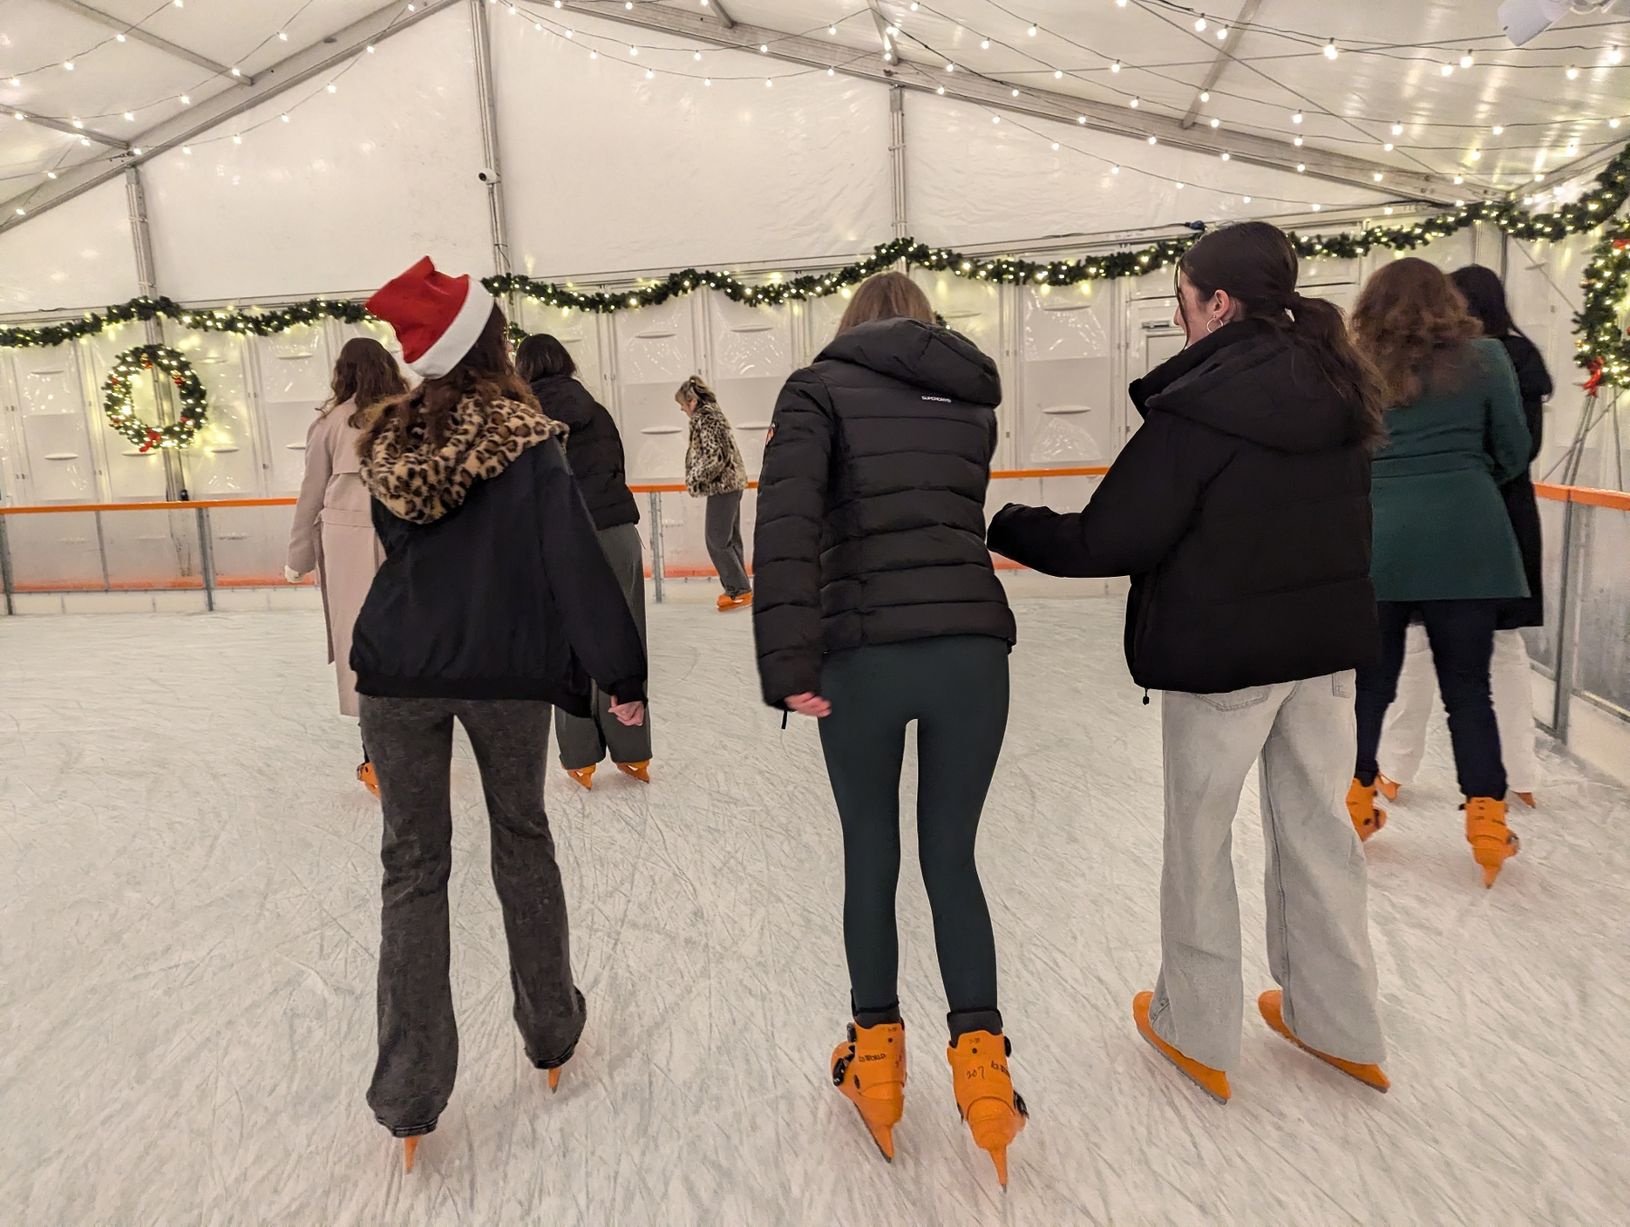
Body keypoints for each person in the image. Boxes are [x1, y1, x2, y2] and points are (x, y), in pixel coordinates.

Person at [987, 221, 1390, 1103]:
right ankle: (1341, 1019)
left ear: (1218, 302)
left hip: (1225, 662)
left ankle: (1197, 1026)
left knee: (1201, 841)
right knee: (1319, 831)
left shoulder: (1203, 405)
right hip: (1326, 652)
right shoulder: (1339, 386)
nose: (1179, 316)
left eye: (1182, 298)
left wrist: (1003, 522)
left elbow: (1109, 538)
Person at [350, 258, 647, 1170]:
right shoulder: (527, 440)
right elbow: (571, 559)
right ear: (491, 342)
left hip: (397, 672)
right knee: (521, 837)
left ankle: (409, 1092)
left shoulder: (389, 441)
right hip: (504, 670)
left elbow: (403, 549)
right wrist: (621, 672)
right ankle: (551, 1030)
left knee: (412, 868)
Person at [752, 271, 1026, 1187]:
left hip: (864, 654)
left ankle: (875, 1060)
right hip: (971, 652)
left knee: (870, 848)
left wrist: (787, 664)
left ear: (851, 325)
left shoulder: (816, 389)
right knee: (952, 854)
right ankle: (985, 1078)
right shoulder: (970, 395)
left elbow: (787, 526)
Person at [1349, 257, 1531, 888]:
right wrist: (1466, 478)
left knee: (1370, 686)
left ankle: (1355, 802)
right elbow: (1514, 450)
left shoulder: (1354, 364)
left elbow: (1341, 454)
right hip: (1468, 539)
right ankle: (1487, 822)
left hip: (1380, 539)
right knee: (1468, 689)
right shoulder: (1487, 358)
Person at [1376, 265, 1553, 808]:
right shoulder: (1498, 357)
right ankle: (1501, 787)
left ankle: (1387, 773)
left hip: (1441, 524)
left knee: (1416, 660)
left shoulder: (1392, 359)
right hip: (1486, 521)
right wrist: (1469, 480)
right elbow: (1516, 448)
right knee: (1479, 665)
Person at [517, 334, 652, 791]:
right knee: (626, 634)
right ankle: (633, 750)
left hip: (563, 538)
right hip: (616, 533)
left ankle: (580, 757)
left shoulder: (525, 418)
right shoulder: (598, 411)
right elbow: (617, 470)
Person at [284, 337, 408, 796]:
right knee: (409, 640)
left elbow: (311, 491)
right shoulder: (410, 412)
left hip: (348, 541)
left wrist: (298, 556)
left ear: (344, 373)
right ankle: (415, 748)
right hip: (405, 535)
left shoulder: (331, 422)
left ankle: (376, 758)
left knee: (363, 644)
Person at [676, 375, 751, 610]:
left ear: (692, 402)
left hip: (723, 486)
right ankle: (740, 588)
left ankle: (738, 590)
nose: (682, 409)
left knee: (716, 540)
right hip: (730, 484)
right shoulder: (713, 416)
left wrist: (694, 477)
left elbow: (716, 456)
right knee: (729, 539)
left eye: (682, 404)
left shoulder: (706, 419)